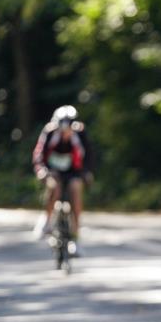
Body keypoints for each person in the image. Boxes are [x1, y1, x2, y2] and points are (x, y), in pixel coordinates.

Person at [32, 105, 93, 255]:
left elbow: (89, 155)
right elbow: (39, 153)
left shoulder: (80, 132)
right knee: (54, 187)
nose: (65, 132)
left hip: (73, 171)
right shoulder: (50, 131)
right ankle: (46, 220)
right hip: (53, 171)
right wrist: (41, 170)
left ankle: (76, 236)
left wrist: (87, 173)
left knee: (75, 190)